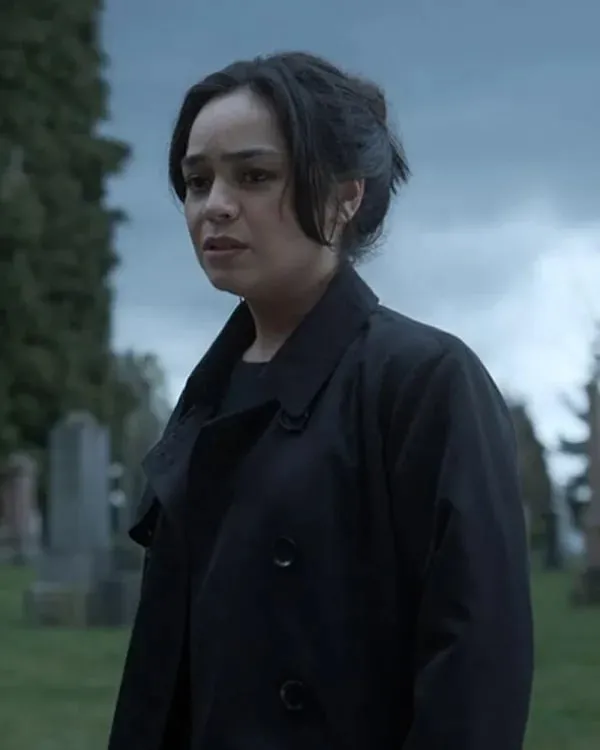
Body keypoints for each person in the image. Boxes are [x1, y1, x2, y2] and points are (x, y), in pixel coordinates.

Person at [108, 51, 533, 750]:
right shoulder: (206, 394)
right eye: (197, 180)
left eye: (254, 176)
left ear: (344, 196)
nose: (215, 204)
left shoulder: (423, 382)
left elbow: (475, 674)